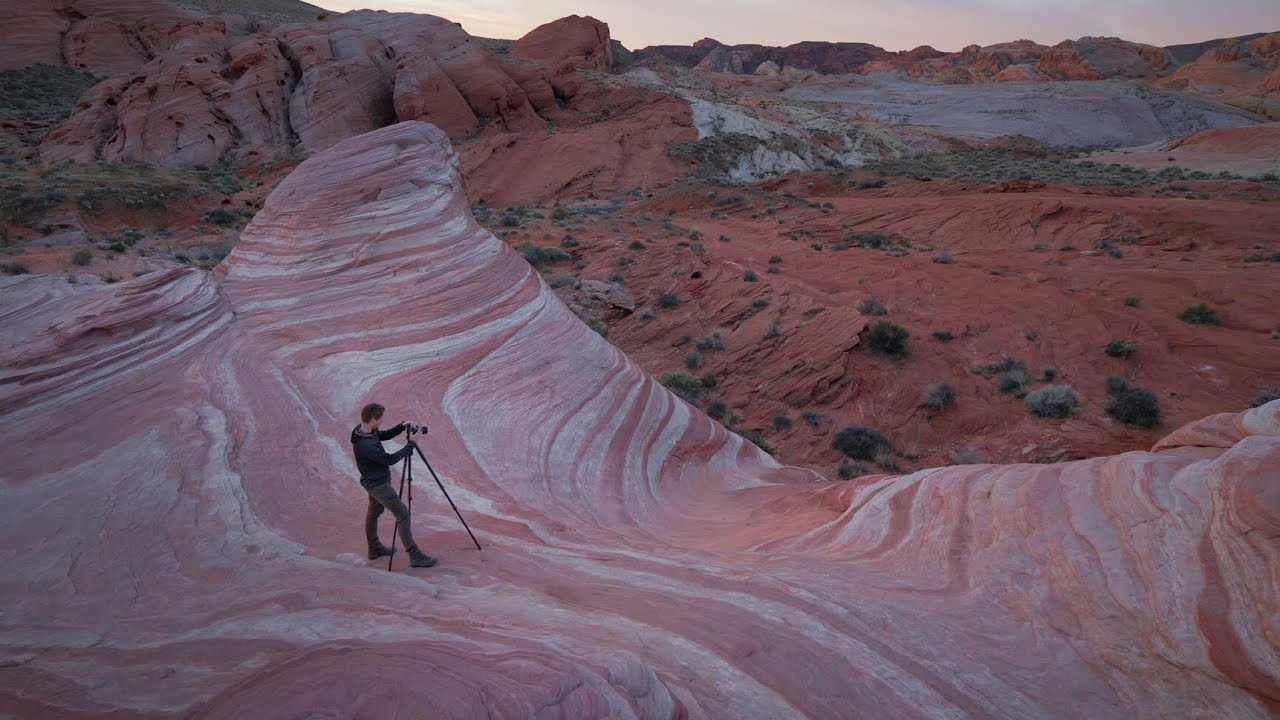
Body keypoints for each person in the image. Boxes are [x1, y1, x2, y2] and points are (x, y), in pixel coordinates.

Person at [350, 402, 438, 568]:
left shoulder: (362, 431)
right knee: (403, 514)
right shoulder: (366, 446)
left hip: (370, 481)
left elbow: (383, 435)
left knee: (375, 510)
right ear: (373, 419)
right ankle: (415, 556)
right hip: (379, 485)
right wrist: (411, 444)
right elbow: (389, 459)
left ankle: (374, 548)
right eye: (380, 419)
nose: (382, 421)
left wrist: (402, 426)